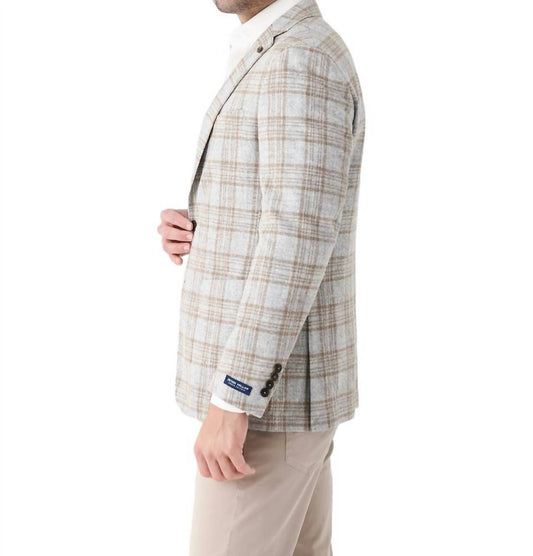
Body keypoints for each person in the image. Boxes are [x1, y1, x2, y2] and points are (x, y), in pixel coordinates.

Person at [157, 0, 365, 553]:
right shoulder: (280, 49)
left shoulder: (300, 59)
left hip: (267, 409)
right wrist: (203, 226)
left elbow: (296, 239)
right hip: (281, 405)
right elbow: (287, 214)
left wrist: (234, 397)